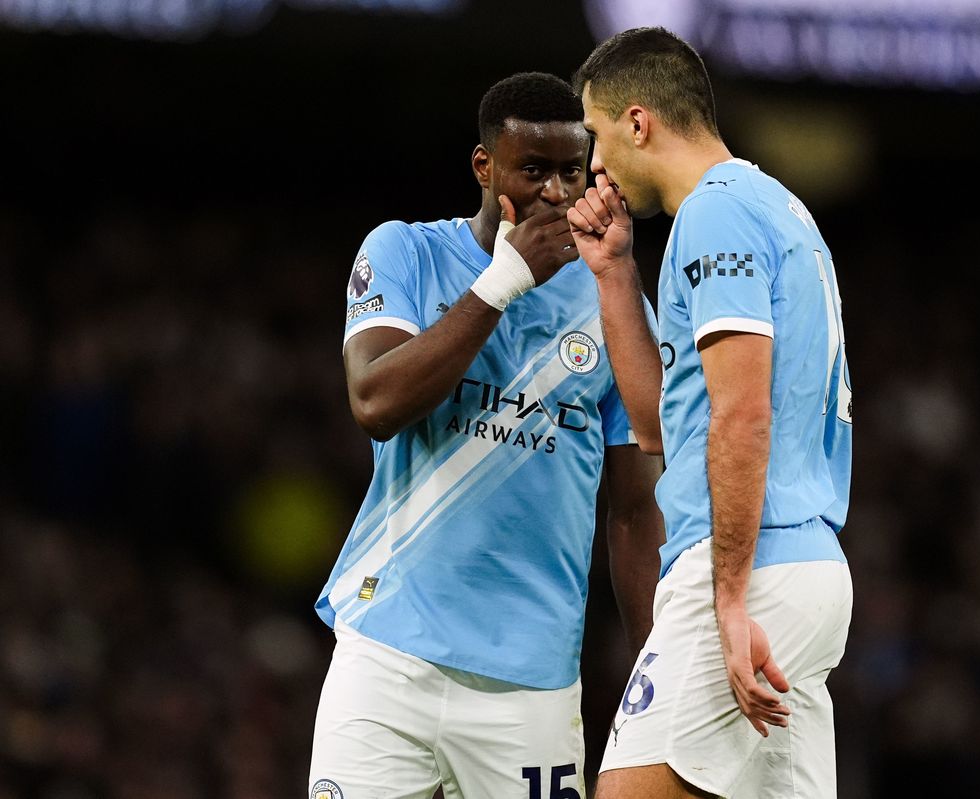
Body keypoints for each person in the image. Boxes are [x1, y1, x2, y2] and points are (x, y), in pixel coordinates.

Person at [309, 71, 664, 799]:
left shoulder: (615, 303)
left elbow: (634, 509)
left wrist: (653, 667)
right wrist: (501, 283)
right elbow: (374, 400)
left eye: (572, 171)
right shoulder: (407, 253)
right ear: (485, 167)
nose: (557, 193)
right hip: (387, 657)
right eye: (533, 170)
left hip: (530, 686)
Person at [567, 28, 855, 799]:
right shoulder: (774, 205)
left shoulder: (713, 216)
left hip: (751, 568)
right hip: (804, 567)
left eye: (595, 134)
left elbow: (741, 415)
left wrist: (727, 597)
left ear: (638, 121)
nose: (594, 164)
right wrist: (615, 272)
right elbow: (665, 426)